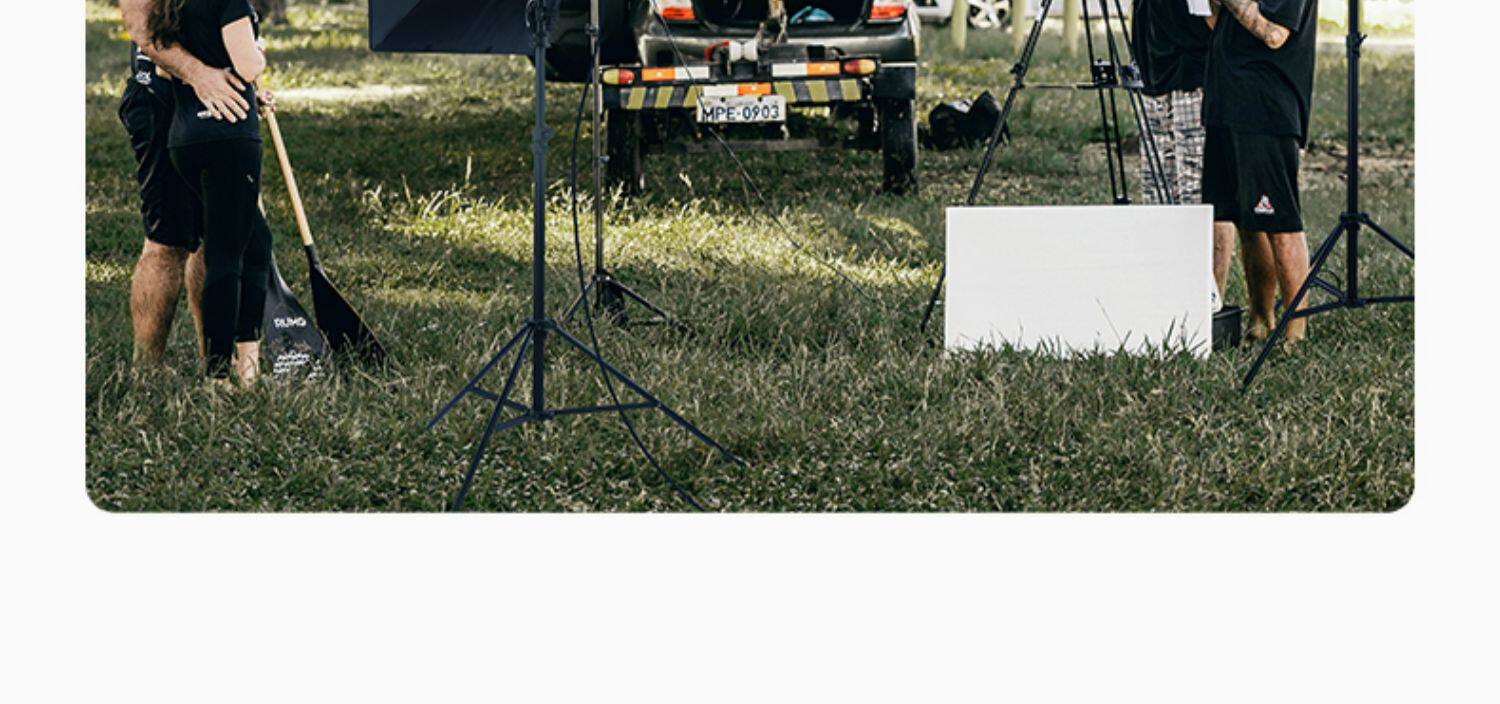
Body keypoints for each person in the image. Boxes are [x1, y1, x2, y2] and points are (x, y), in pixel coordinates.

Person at [119, 0, 262, 368]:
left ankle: (213, 361)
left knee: (218, 237)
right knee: (167, 240)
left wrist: (241, 87)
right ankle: (146, 373)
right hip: (160, 99)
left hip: (216, 109)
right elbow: (140, 26)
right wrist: (200, 75)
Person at [1202, 0, 1319, 345]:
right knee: (1246, 220)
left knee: (1280, 223)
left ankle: (1295, 333)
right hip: (1226, 101)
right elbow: (1216, 23)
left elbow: (1274, 34)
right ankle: (1260, 319)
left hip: (1265, 106)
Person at [1132, 0, 1231, 303]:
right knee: (1157, 190)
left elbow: (1215, 15)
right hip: (1152, 69)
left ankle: (1208, 300)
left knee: (1201, 192)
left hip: (1194, 70)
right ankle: (1166, 291)